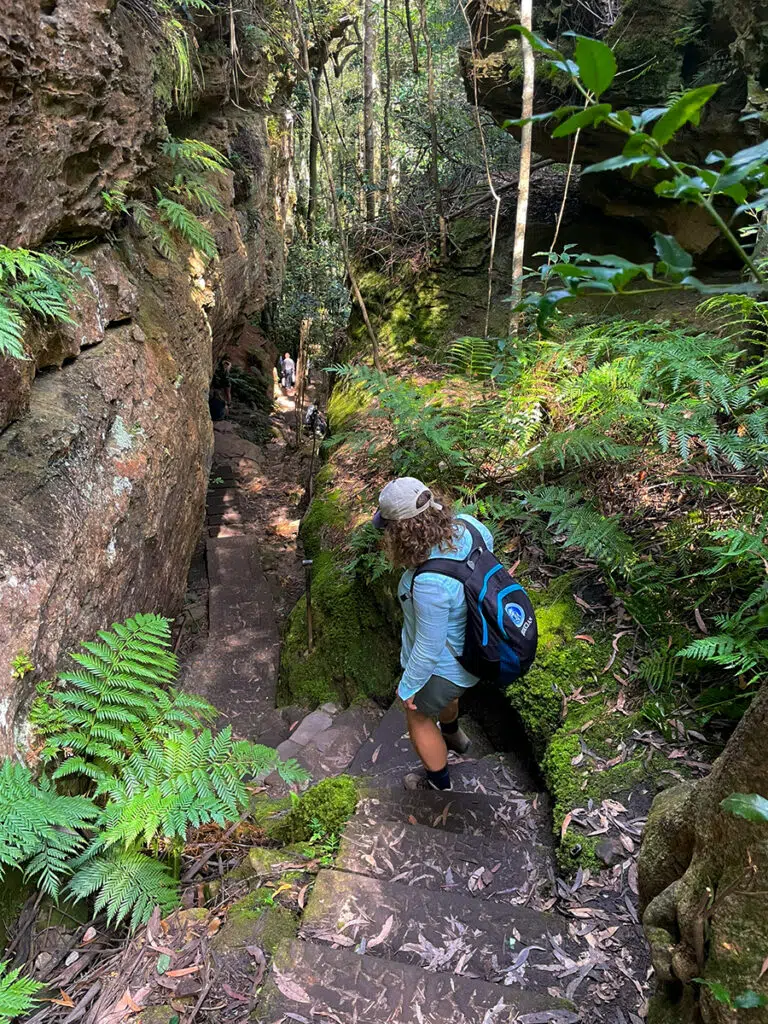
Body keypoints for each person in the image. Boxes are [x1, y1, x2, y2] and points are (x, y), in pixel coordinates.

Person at [373, 476, 493, 792]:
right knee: (448, 697)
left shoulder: (428, 583)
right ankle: (454, 734)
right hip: (481, 644)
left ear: (400, 532)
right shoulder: (470, 526)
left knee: (419, 716)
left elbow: (428, 647)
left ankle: (438, 785)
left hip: (449, 664)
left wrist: (407, 688)